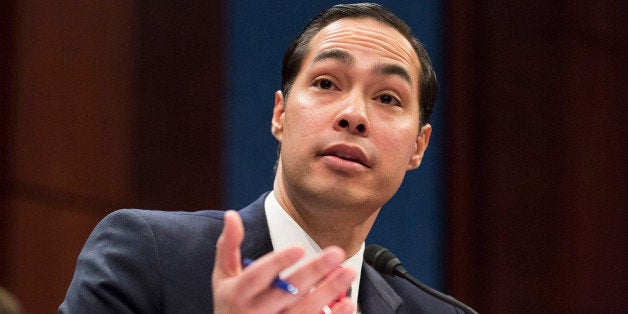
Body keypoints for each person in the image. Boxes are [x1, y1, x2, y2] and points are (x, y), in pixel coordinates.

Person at [60, 3, 465, 313]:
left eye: (387, 98)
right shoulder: (148, 256)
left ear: (418, 147)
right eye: (326, 83)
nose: (354, 116)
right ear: (281, 115)